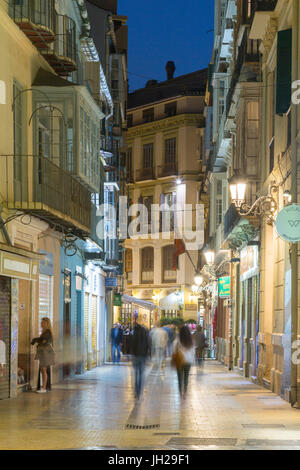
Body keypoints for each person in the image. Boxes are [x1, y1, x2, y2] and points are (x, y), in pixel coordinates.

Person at [31, 317, 55, 394]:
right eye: (41, 322)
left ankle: (44, 387)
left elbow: (44, 341)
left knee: (43, 370)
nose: (41, 324)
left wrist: (36, 340)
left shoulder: (47, 332)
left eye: (43, 322)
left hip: (45, 353)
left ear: (46, 324)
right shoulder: (45, 332)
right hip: (44, 353)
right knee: (43, 370)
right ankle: (44, 387)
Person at [172, 325, 194, 400]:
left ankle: (181, 393)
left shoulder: (177, 340)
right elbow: (193, 351)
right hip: (188, 361)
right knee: (186, 377)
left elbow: (174, 350)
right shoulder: (191, 341)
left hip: (180, 360)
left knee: (180, 378)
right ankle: (185, 392)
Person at [131, 322, 149, 400]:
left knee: (136, 374)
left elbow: (131, 346)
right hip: (143, 357)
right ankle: (139, 392)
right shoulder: (145, 336)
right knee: (141, 374)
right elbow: (148, 346)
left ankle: (136, 391)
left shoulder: (134, 335)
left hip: (135, 356)